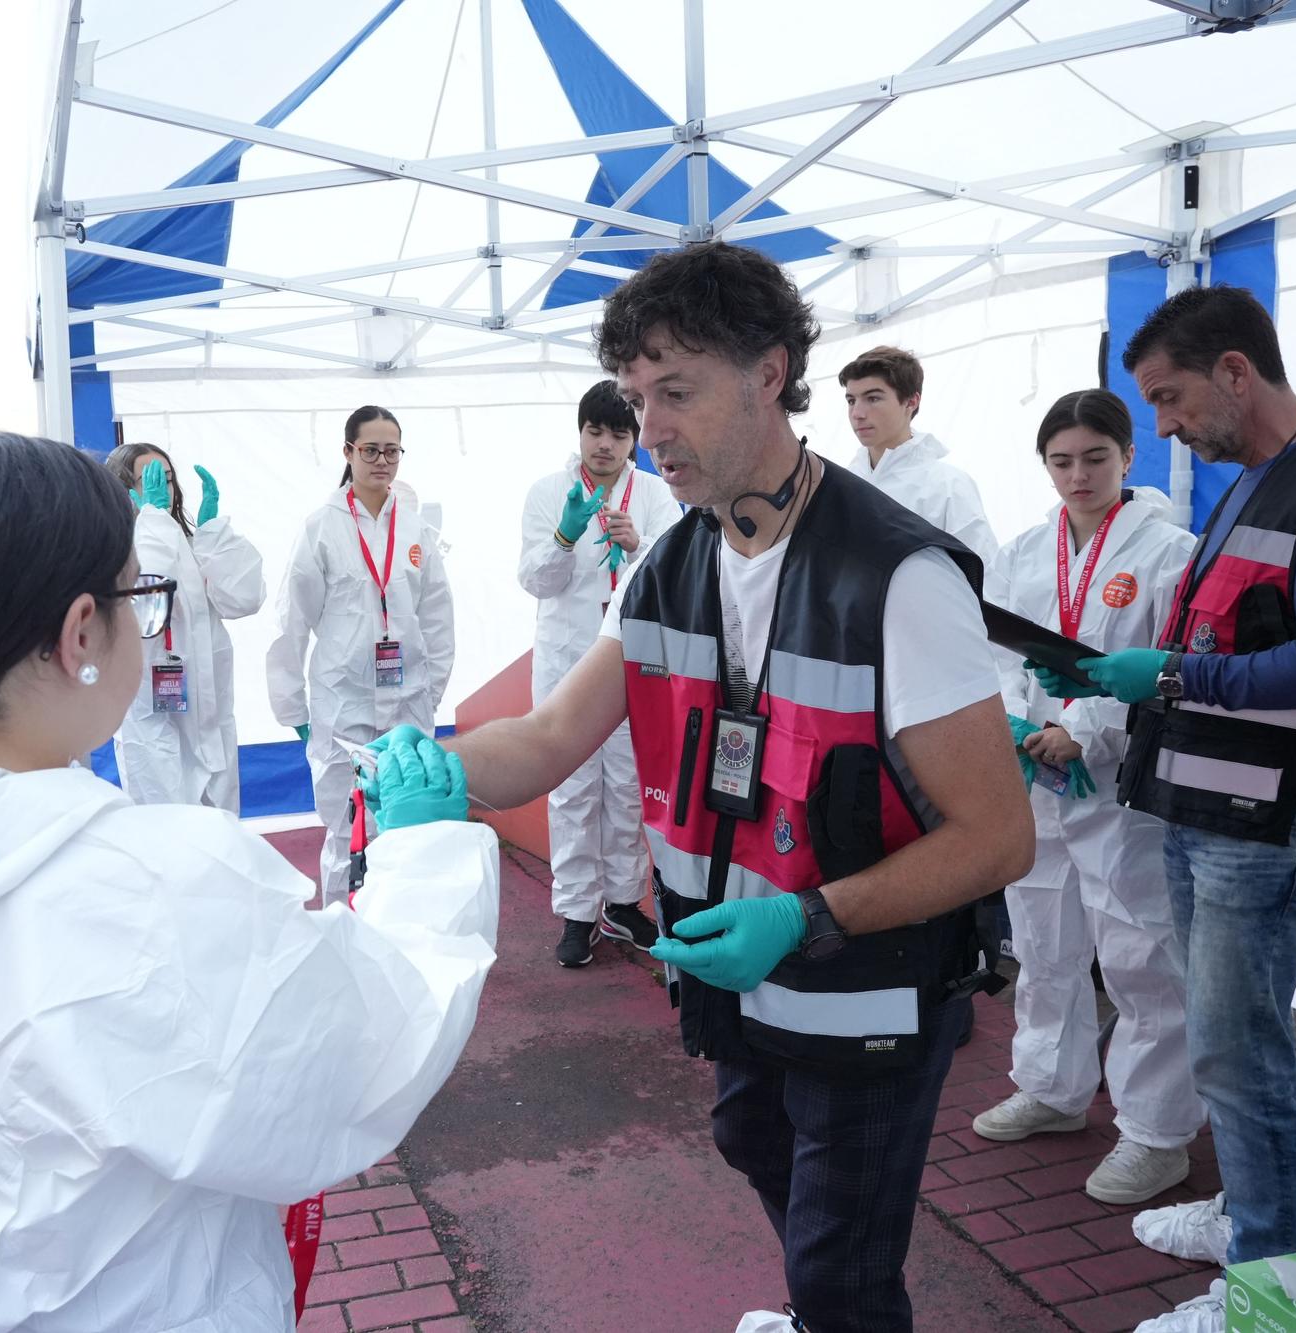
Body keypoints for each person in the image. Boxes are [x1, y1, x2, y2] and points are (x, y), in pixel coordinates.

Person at [0, 429, 499, 1333]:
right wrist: (424, 859)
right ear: (81, 630)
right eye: (136, 599)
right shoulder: (149, 892)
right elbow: (356, 1065)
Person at [369, 242, 1033, 1333]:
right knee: (748, 1140)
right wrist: (439, 766)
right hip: (732, 971)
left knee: (839, 1266)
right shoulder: (669, 565)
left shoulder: (898, 576)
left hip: (863, 984)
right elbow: (543, 740)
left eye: (672, 393)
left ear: (768, 374)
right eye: (634, 398)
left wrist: (805, 915)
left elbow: (997, 838)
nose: (647, 430)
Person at [1031, 288, 1296, 1333]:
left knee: (1240, 1050)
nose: (1159, 426)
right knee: (1221, 1038)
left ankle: (1264, 1276)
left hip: (1272, 825)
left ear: (1233, 371)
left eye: (1167, 397)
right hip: (1209, 812)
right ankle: (1247, 1210)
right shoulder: (1251, 485)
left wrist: (1176, 679)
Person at [973, 389, 1204, 1205]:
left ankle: (1155, 1132)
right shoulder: (1026, 550)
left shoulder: (1173, 551)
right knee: (1041, 937)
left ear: (1128, 457)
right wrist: (1016, 723)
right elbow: (999, 649)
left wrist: (1089, 726)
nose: (1078, 475)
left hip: (1122, 784)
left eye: (1095, 458)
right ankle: (1052, 1087)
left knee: (1141, 955)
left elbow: (1172, 660)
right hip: (1036, 774)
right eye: (1062, 461)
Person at [518, 380, 681, 966]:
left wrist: (640, 547)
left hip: (633, 661)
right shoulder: (548, 493)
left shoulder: (657, 495)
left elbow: (675, 581)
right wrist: (564, 536)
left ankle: (621, 903)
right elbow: (535, 582)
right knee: (573, 790)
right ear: (580, 431)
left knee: (629, 787)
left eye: (618, 433)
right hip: (568, 663)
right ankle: (576, 911)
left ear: (635, 437)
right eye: (595, 431)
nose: (605, 444)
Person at [268, 407, 455, 901]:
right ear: (347, 452)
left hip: (409, 699)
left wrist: (431, 692)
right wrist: (293, 707)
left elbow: (437, 619)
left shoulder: (414, 529)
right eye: (370, 449)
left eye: (391, 451)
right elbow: (292, 621)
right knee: (344, 827)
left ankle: (396, 935)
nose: (381, 460)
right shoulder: (321, 528)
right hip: (342, 703)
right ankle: (341, 937)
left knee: (405, 826)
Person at [103, 441, 265, 810]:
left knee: (220, 838)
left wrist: (213, 534)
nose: (165, 490)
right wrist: (155, 520)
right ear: (122, 488)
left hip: (211, 724)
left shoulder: (195, 545)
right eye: (152, 480)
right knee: (168, 841)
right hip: (153, 725)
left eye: (169, 479)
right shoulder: (114, 551)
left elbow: (244, 600)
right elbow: (147, 603)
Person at [840, 345, 999, 567]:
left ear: (911, 402)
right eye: (851, 401)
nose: (857, 413)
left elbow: (982, 575)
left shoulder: (948, 486)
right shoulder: (840, 484)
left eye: (873, 398)